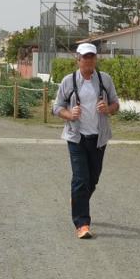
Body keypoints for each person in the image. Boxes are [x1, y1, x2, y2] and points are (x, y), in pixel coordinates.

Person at [52, 43, 119, 239]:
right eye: (85, 57)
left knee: (93, 179)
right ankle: (82, 223)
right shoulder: (69, 81)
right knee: (81, 179)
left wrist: (108, 108)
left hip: (98, 138)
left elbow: (116, 104)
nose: (88, 60)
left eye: (91, 57)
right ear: (78, 59)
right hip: (76, 137)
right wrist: (69, 114)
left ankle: (78, 200)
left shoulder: (105, 80)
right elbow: (56, 107)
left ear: (96, 59)